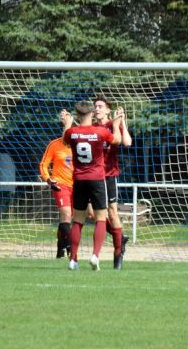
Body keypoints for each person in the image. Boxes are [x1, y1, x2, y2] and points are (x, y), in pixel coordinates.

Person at [61, 101, 122, 271]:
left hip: (79, 180)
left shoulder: (72, 132)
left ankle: (73, 260)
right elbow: (116, 140)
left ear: (77, 115)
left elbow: (65, 141)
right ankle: (95, 255)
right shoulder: (100, 131)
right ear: (92, 114)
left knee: (78, 220)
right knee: (101, 218)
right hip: (97, 179)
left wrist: (66, 124)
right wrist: (116, 125)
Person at [94, 96, 132, 269]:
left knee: (112, 213)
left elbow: (127, 142)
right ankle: (120, 236)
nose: (97, 109)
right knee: (90, 214)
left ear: (108, 110)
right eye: (95, 106)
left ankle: (118, 253)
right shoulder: (92, 127)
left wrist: (122, 121)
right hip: (93, 176)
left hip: (109, 175)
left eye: (100, 106)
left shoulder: (113, 125)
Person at [39, 135, 74, 259]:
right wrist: (49, 180)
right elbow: (43, 165)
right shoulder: (54, 144)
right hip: (60, 184)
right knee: (66, 214)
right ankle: (71, 250)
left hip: (79, 185)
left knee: (87, 215)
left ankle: (60, 249)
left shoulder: (81, 143)